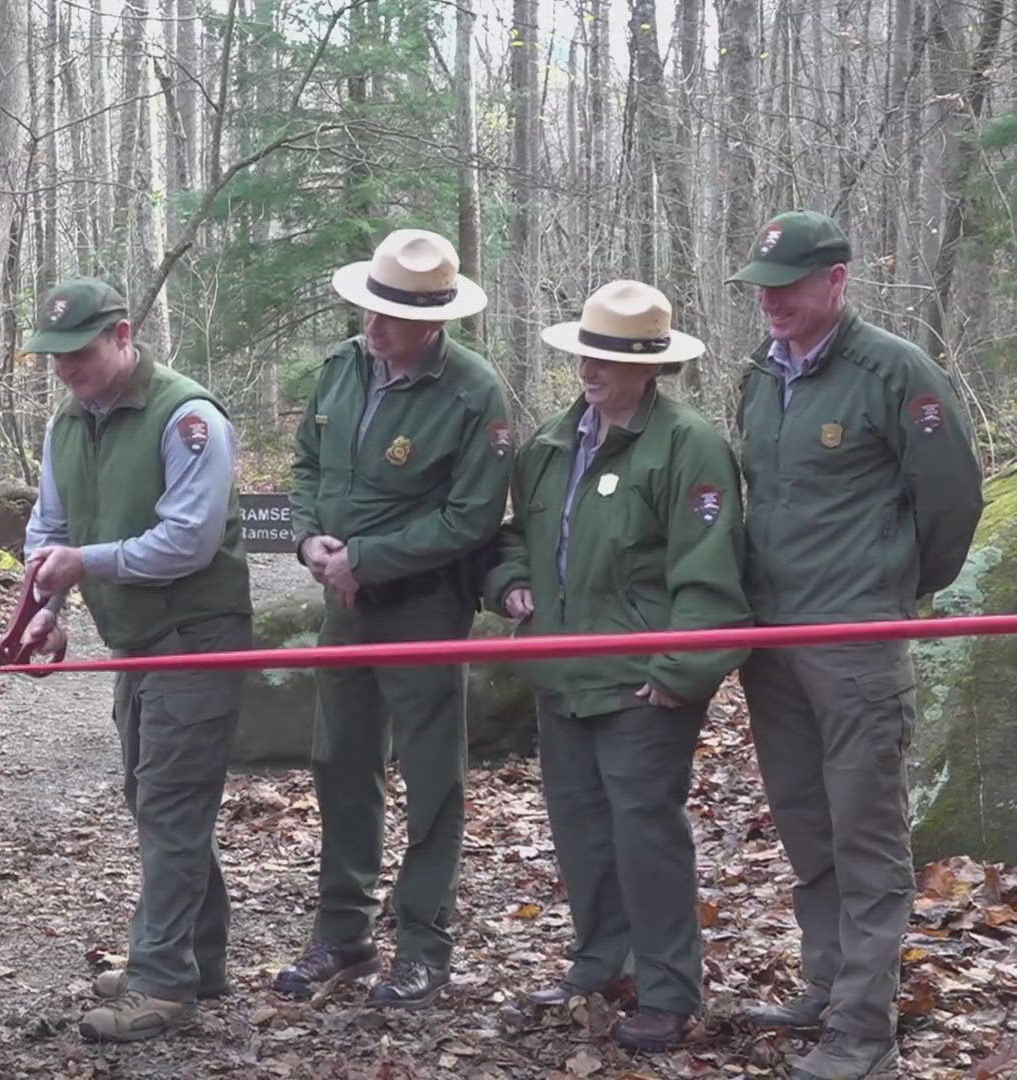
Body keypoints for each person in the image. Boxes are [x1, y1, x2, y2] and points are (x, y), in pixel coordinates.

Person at [726, 212, 983, 1080]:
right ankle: (827, 984)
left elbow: (951, 502)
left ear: (836, 282)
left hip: (858, 641)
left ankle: (865, 1030)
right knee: (806, 825)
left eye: (789, 286)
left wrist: (892, 596)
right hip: (775, 639)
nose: (772, 303)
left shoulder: (894, 372)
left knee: (866, 833)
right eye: (763, 287)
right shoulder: (760, 376)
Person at [483, 280, 749, 1051]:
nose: (589, 371)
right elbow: (511, 540)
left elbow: (711, 574)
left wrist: (678, 674)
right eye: (583, 355)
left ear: (649, 367)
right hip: (560, 673)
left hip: (642, 683)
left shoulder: (688, 444)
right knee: (580, 831)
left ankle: (669, 991)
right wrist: (510, 583)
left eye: (607, 359)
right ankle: (601, 962)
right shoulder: (551, 443)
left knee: (645, 836)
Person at [279, 228, 511, 1007]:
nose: (373, 329)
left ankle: (423, 944)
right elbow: (307, 465)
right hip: (341, 608)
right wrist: (312, 538)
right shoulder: (342, 369)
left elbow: (473, 516)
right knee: (340, 762)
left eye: (391, 317)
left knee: (431, 777)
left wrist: (370, 559)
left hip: (422, 608)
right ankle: (341, 933)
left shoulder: (474, 392)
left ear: (434, 320)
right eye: (367, 310)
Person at [17, 278, 252, 1043]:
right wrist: (45, 612)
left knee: (171, 804)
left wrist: (83, 565)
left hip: (197, 636)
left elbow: (189, 540)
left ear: (123, 335)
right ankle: (196, 956)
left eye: (78, 353)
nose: (64, 369)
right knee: (150, 797)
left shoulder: (187, 417)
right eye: (54, 356)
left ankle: (160, 981)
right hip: (135, 642)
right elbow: (47, 527)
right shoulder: (68, 421)